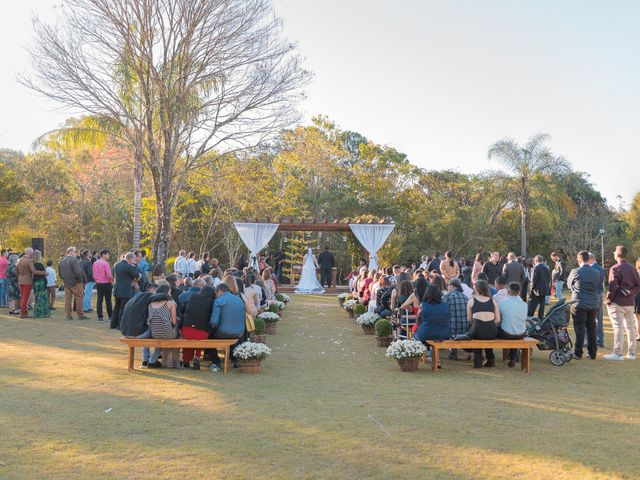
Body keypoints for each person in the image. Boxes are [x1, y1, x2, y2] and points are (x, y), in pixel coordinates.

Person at [604, 245, 640, 361]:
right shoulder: (632, 268)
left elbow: (612, 286)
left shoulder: (615, 268)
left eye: (615, 252)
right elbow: (638, 285)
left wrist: (609, 300)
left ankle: (617, 353)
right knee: (630, 328)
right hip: (630, 302)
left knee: (618, 327)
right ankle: (631, 353)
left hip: (618, 302)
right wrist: (631, 292)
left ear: (617, 254)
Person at [567, 250, 600, 360]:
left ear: (579, 260)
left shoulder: (575, 271)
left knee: (580, 329)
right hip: (593, 303)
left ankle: (578, 352)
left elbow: (569, 285)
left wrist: (575, 289)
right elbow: (598, 286)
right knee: (591, 328)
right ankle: (592, 353)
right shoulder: (596, 272)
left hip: (579, 303)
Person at [208, 283, 246, 372]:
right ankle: (235, 359)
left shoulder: (219, 300)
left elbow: (214, 321)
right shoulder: (239, 299)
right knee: (231, 334)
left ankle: (216, 362)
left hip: (223, 332)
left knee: (209, 336)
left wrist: (210, 326)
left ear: (219, 291)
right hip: (239, 332)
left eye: (216, 293)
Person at [467, 279, 501, 368]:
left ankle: (478, 361)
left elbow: (469, 319)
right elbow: (497, 320)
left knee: (475, 334)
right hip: (491, 331)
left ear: (476, 289)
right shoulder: (493, 300)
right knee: (487, 337)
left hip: (477, 330)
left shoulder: (471, 301)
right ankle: (490, 360)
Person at [414, 285, 450, 367]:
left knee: (417, 335)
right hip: (443, 333)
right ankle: (437, 360)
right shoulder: (445, 305)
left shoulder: (423, 304)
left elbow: (418, 320)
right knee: (435, 337)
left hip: (426, 333)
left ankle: (424, 355)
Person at [181, 285, 216, 369]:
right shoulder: (212, 302)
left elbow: (182, 309)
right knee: (200, 337)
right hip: (202, 332)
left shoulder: (192, 296)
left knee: (188, 341)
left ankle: (186, 360)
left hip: (186, 329)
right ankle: (197, 357)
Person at [147, 282, 180, 368]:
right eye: (169, 292)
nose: (170, 294)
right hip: (169, 334)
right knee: (179, 331)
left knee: (162, 337)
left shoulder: (151, 304)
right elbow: (174, 322)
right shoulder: (171, 303)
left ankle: (153, 360)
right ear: (167, 293)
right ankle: (174, 361)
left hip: (155, 334)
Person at [498, 282, 528, 367]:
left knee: (502, 328)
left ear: (507, 291)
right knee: (513, 328)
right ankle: (512, 359)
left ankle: (490, 357)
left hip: (506, 334)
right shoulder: (524, 304)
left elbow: (497, 319)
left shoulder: (502, 303)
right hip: (521, 333)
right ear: (519, 292)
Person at [111, 252, 140, 329]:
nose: (133, 261)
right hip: (125, 290)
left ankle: (113, 324)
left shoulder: (116, 264)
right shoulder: (128, 266)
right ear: (130, 259)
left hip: (117, 289)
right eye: (133, 259)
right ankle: (120, 325)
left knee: (116, 307)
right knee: (123, 308)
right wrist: (134, 266)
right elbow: (136, 274)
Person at [58, 247, 88, 321]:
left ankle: (68, 315)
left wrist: (64, 280)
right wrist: (80, 280)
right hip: (75, 282)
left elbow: (60, 274)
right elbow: (78, 272)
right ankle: (80, 315)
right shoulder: (74, 260)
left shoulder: (61, 261)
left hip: (66, 282)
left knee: (68, 299)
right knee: (79, 297)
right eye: (75, 251)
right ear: (70, 252)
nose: (76, 253)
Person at [16, 248, 47, 318]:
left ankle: (24, 313)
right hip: (27, 282)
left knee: (23, 297)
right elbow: (34, 271)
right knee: (25, 298)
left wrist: (20, 277)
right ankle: (23, 314)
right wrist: (44, 273)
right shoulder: (29, 261)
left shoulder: (19, 260)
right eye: (32, 253)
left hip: (21, 281)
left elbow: (16, 271)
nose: (33, 254)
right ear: (30, 253)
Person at [444, 278, 469, 361]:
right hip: (465, 327)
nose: (447, 287)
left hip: (452, 328)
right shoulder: (465, 297)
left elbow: (442, 310)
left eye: (448, 285)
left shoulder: (448, 296)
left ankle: (453, 352)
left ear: (452, 286)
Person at [588, 253, 606, 348]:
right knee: (599, 319)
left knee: (590, 319)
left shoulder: (591, 269)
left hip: (592, 295)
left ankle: (590, 340)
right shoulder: (601, 268)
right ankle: (600, 339)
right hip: (599, 294)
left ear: (590, 259)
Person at [92, 249, 113, 322]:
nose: (108, 256)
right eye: (108, 254)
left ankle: (100, 316)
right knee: (108, 300)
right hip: (106, 283)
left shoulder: (95, 263)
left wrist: (97, 281)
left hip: (98, 283)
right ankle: (110, 316)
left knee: (99, 300)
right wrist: (111, 282)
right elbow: (109, 275)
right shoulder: (105, 263)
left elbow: (94, 274)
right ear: (103, 255)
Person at [32, 250, 50, 318]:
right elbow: (44, 273)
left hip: (35, 282)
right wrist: (45, 273)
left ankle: (38, 312)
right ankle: (41, 312)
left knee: (37, 297)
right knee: (42, 298)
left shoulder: (32, 264)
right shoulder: (39, 264)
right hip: (41, 282)